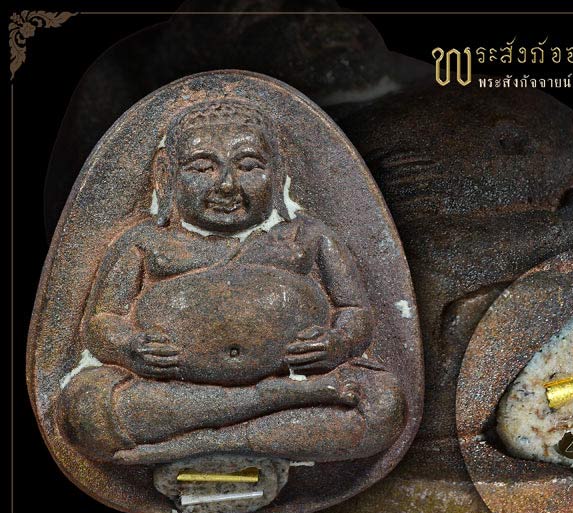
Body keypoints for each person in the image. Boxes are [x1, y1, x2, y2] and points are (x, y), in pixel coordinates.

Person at [57, 98, 404, 466]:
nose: (226, 184)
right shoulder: (146, 243)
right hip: (181, 395)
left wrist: (338, 342)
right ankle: (268, 401)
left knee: (385, 403)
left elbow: (355, 311)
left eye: (249, 166)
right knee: (84, 408)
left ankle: (204, 443)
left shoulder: (307, 238)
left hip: (300, 379)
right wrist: (131, 349)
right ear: (165, 175)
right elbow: (102, 321)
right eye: (202, 167)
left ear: (279, 173)